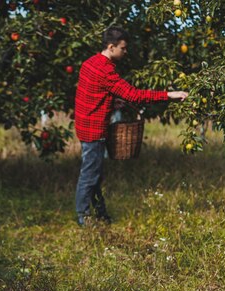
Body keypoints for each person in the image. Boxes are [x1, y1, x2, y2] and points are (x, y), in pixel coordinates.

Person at [74, 27, 188, 226]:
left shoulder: (90, 63)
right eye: (123, 48)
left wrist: (110, 102)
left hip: (84, 125)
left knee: (95, 174)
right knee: (90, 175)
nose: (125, 52)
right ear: (111, 47)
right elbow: (134, 95)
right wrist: (168, 95)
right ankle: (84, 217)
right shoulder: (105, 69)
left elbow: (92, 93)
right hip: (94, 130)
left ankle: (100, 214)